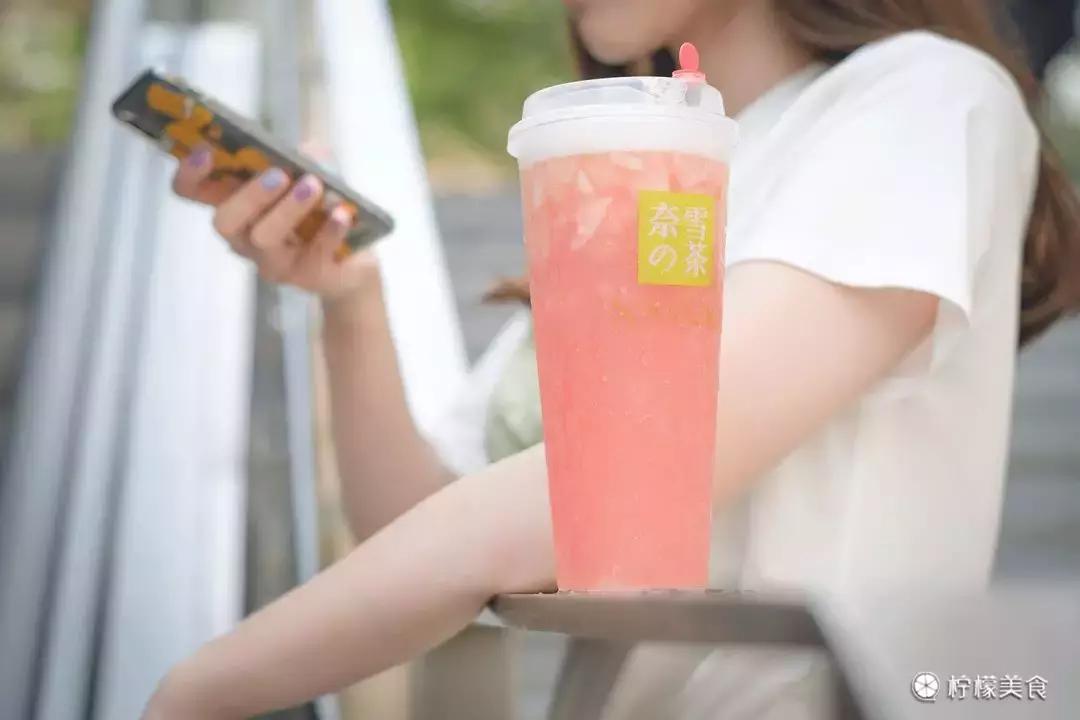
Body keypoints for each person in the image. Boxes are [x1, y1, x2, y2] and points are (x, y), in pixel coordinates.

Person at [143, 0, 1080, 718]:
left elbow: (618, 478)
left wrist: (198, 689)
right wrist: (352, 303)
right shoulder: (617, 181)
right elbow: (422, 532)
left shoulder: (924, 98)